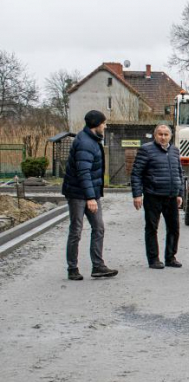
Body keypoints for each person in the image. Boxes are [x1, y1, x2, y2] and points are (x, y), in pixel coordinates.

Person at [62, 110, 119, 280]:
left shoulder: (92, 140)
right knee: (76, 230)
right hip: (78, 194)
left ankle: (98, 266)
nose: (105, 126)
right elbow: (83, 172)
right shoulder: (85, 143)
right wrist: (90, 198)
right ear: (96, 124)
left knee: (98, 227)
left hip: (89, 192)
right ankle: (72, 268)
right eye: (104, 123)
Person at [131, 124, 185, 269]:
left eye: (166, 134)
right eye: (160, 134)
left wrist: (180, 193)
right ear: (155, 135)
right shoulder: (146, 150)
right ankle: (153, 259)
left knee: (174, 228)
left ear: (171, 136)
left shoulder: (174, 151)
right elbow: (136, 173)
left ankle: (170, 257)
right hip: (153, 195)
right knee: (151, 228)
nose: (163, 137)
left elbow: (179, 172)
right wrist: (137, 194)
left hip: (171, 196)